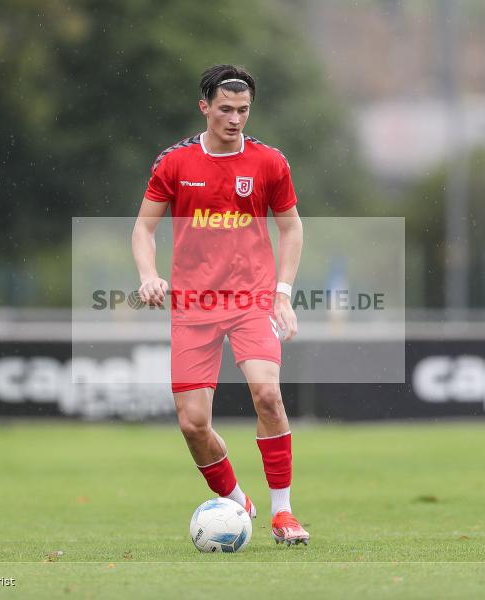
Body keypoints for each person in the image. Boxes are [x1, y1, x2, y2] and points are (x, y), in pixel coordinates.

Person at [132, 64, 308, 545]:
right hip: (193, 305)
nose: (235, 119)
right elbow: (144, 228)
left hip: (252, 299)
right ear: (204, 106)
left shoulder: (270, 162)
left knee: (267, 395)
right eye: (226, 109)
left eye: (244, 110)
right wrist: (149, 275)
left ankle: (283, 513)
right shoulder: (174, 162)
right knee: (193, 424)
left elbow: (291, 227)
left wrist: (283, 295)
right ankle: (237, 502)